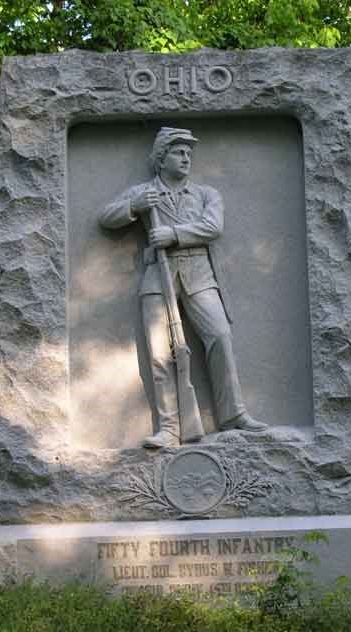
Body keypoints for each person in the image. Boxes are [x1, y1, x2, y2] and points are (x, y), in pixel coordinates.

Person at [100, 127, 266, 448]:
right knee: (160, 353)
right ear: (161, 159)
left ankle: (233, 415)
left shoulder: (206, 194)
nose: (187, 158)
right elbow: (107, 217)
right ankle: (171, 428)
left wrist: (173, 234)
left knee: (219, 336)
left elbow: (212, 227)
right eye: (179, 152)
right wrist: (133, 206)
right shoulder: (144, 191)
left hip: (199, 274)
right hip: (158, 276)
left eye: (189, 153)